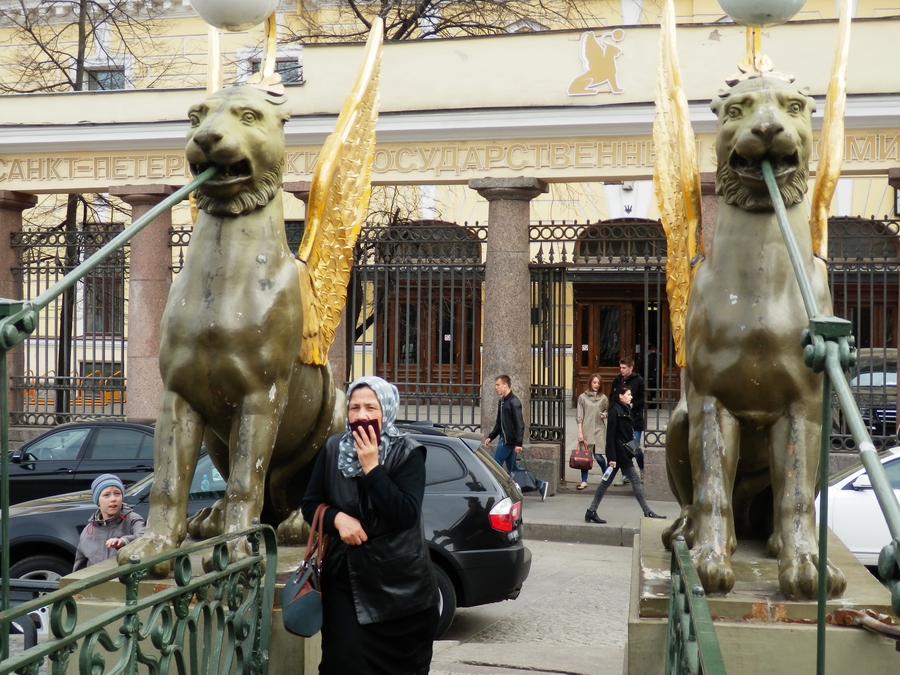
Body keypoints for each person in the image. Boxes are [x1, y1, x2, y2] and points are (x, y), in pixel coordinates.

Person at [300, 375, 439, 675]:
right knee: (342, 663)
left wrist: (372, 468)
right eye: (354, 408)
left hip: (401, 591)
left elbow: (405, 514)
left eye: (370, 408)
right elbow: (309, 505)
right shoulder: (333, 448)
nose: (361, 415)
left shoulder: (408, 452)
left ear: (386, 410)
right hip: (346, 584)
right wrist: (337, 520)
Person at [583, 385, 665, 524]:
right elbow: (610, 436)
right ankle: (647, 511)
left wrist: (634, 449)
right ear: (621, 396)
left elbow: (628, 433)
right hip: (619, 454)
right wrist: (612, 458)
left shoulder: (625, 408)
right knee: (635, 481)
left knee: (605, 482)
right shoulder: (615, 411)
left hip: (623, 452)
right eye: (628, 394)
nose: (631, 396)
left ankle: (591, 511)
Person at [484, 374, 549, 501]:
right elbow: (499, 423)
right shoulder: (502, 402)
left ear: (505, 385)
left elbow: (520, 424)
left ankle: (498, 492)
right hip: (506, 439)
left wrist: (519, 443)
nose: (495, 387)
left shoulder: (514, 402)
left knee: (495, 465)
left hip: (509, 441)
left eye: (498, 385)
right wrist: (491, 437)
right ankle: (540, 484)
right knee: (513, 468)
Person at [73, 473, 146, 571]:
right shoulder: (88, 531)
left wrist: (124, 541)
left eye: (117, 493)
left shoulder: (132, 519)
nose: (113, 499)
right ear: (98, 500)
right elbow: (79, 568)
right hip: (97, 582)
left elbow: (144, 538)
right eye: (106, 495)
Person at [611, 357, 645, 482]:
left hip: (634, 419)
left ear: (631, 368)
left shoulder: (638, 381)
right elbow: (612, 397)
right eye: (620, 368)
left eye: (624, 368)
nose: (621, 370)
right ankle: (626, 474)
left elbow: (643, 399)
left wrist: (633, 404)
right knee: (623, 448)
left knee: (634, 447)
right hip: (621, 419)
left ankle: (642, 469)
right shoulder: (617, 380)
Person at [575, 372, 609, 490]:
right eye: (594, 382)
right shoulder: (582, 397)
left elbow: (607, 410)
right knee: (585, 457)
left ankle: (606, 476)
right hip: (586, 429)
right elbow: (579, 415)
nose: (596, 385)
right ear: (590, 383)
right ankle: (584, 480)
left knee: (599, 456)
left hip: (599, 429)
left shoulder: (603, 398)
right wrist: (580, 432)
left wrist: (605, 414)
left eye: (598, 383)